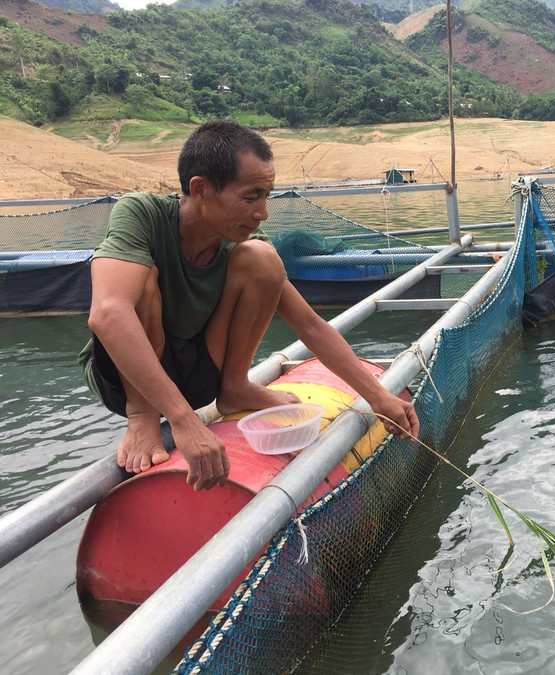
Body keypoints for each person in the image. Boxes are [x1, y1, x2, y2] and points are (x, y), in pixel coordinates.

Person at [78, 120, 419, 491]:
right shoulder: (141, 214)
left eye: (266, 196)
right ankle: (142, 413)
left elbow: (309, 325)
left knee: (263, 258)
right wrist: (182, 420)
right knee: (138, 279)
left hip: (198, 376)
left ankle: (235, 387)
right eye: (251, 197)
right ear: (200, 190)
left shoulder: (244, 239)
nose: (262, 212)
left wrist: (378, 397)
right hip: (124, 381)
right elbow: (108, 314)